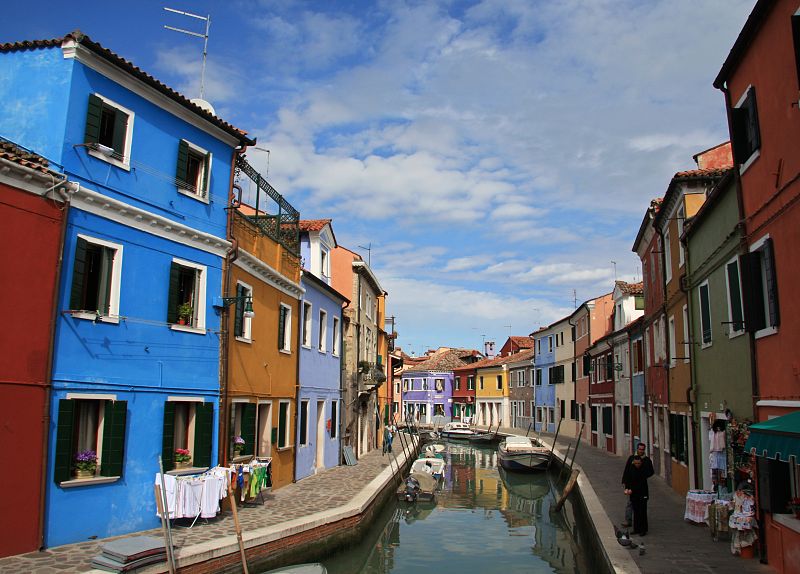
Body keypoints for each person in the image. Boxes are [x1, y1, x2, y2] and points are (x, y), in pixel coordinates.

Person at [623, 455, 655, 536]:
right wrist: (627, 488)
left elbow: (641, 483)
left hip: (642, 494)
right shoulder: (631, 469)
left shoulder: (643, 470)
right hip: (634, 495)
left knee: (642, 512)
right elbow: (628, 479)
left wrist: (632, 490)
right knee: (636, 512)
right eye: (636, 463)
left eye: (638, 463)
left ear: (641, 463)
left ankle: (643, 530)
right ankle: (636, 529)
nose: (637, 465)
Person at [621, 442, 650, 527]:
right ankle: (628, 520)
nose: (641, 451)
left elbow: (650, 471)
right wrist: (625, 483)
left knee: (639, 506)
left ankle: (640, 524)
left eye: (642, 449)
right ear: (637, 449)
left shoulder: (646, 460)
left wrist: (643, 476)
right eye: (640, 449)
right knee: (629, 503)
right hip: (630, 485)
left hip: (641, 487)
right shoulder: (631, 458)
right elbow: (627, 470)